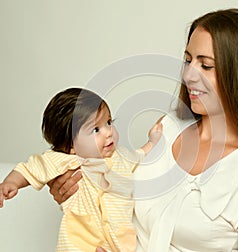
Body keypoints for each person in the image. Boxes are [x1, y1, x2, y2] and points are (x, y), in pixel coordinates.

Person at [48, 8, 238, 252]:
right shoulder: (166, 129)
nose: (189, 75)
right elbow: (108, 185)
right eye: (188, 60)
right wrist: (72, 191)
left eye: (206, 65)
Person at [0, 87, 162, 252]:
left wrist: (152, 143)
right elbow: (30, 169)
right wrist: (10, 183)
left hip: (120, 243)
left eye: (109, 122)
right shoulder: (66, 162)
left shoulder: (119, 157)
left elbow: (138, 157)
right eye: (95, 130)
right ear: (71, 146)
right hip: (79, 244)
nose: (108, 132)